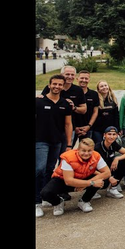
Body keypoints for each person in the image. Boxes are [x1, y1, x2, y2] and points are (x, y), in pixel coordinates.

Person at [38, 138, 111, 216]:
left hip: (83, 177)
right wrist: (90, 183)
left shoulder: (96, 155)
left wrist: (86, 184)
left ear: (93, 150)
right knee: (45, 193)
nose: (86, 153)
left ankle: (84, 201)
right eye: (83, 150)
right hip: (63, 180)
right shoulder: (68, 157)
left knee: (102, 180)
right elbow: (68, 181)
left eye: (89, 151)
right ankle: (58, 202)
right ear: (78, 149)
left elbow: (107, 173)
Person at [36, 74, 73, 217]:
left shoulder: (65, 104)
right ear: (49, 85)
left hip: (57, 141)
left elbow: (68, 124)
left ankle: (46, 196)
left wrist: (69, 144)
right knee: (39, 169)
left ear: (63, 86)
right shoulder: (39, 102)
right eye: (54, 84)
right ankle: (37, 202)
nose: (57, 87)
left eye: (59, 85)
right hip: (40, 141)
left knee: (50, 169)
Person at [93, 126, 125, 199]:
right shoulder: (97, 148)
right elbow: (93, 167)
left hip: (108, 168)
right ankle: (92, 191)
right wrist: (109, 177)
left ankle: (113, 189)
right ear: (104, 135)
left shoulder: (113, 144)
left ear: (117, 135)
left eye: (114, 134)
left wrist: (117, 158)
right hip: (98, 171)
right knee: (105, 183)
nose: (111, 136)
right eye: (109, 134)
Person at [72, 70, 99, 145]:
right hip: (72, 128)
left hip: (87, 128)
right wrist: (74, 127)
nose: (84, 80)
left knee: (86, 150)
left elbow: (95, 112)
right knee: (68, 150)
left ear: (89, 80)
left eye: (86, 78)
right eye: (82, 78)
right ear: (77, 79)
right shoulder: (72, 92)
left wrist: (89, 126)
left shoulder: (94, 94)